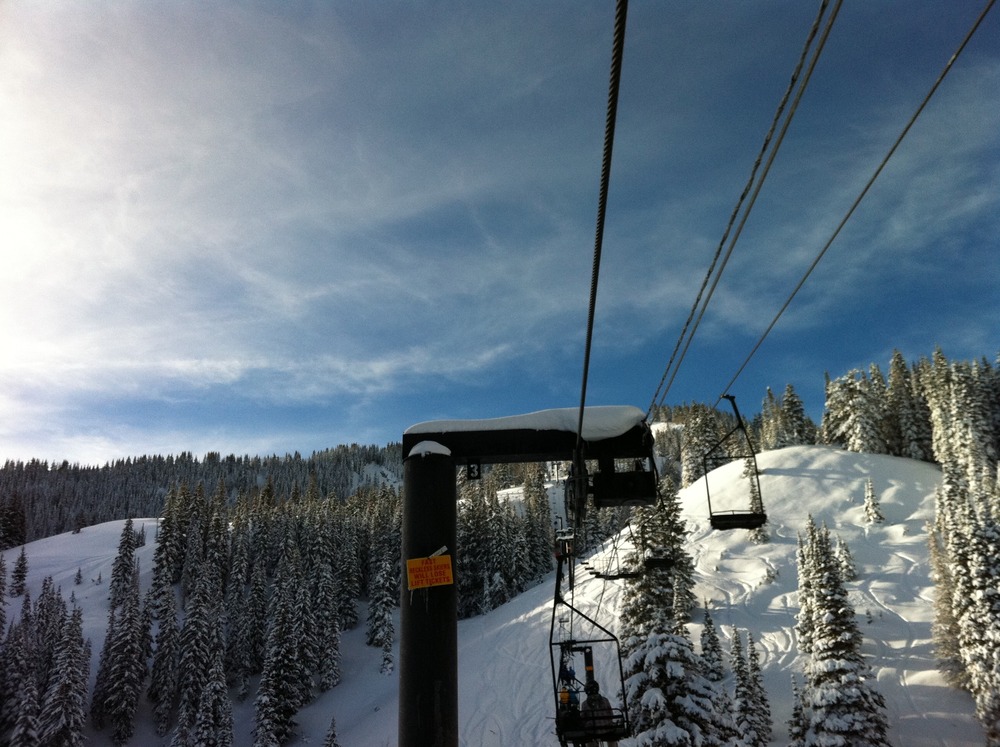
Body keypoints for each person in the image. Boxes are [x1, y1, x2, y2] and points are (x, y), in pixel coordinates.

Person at [580, 680, 618, 747]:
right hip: (607, 729)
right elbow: (611, 715)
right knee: (612, 738)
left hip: (592, 731)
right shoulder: (605, 700)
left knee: (589, 739)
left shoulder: (585, 704)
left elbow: (583, 719)